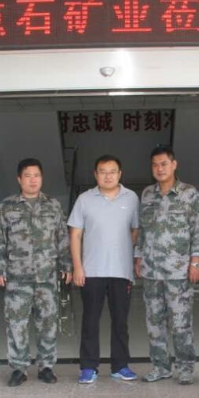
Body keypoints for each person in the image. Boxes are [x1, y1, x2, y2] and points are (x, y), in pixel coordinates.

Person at [0, 158, 72, 386]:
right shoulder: (7, 206)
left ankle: (46, 366)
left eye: (36, 175)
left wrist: (67, 265)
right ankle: (19, 368)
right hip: (17, 277)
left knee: (47, 322)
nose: (32, 180)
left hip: (47, 275)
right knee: (16, 324)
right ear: (19, 179)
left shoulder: (53, 205)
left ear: (42, 178)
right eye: (27, 176)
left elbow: (62, 237)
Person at [134, 146, 199, 385]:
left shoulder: (189, 193)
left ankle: (185, 367)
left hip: (179, 270)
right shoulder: (147, 194)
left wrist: (196, 262)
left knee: (181, 321)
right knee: (154, 321)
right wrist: (138, 256)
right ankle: (160, 366)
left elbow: (197, 230)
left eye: (164, 164)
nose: (159, 169)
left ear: (174, 165)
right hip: (151, 270)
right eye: (155, 165)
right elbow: (142, 229)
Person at [68, 155, 139, 384]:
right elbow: (75, 235)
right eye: (102, 171)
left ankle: (120, 366)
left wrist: (121, 249)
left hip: (121, 271)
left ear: (120, 174)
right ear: (95, 174)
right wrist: (78, 267)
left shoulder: (132, 198)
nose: (108, 176)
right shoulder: (84, 199)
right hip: (92, 271)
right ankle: (88, 367)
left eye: (112, 171)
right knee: (90, 321)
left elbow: (135, 230)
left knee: (121, 322)